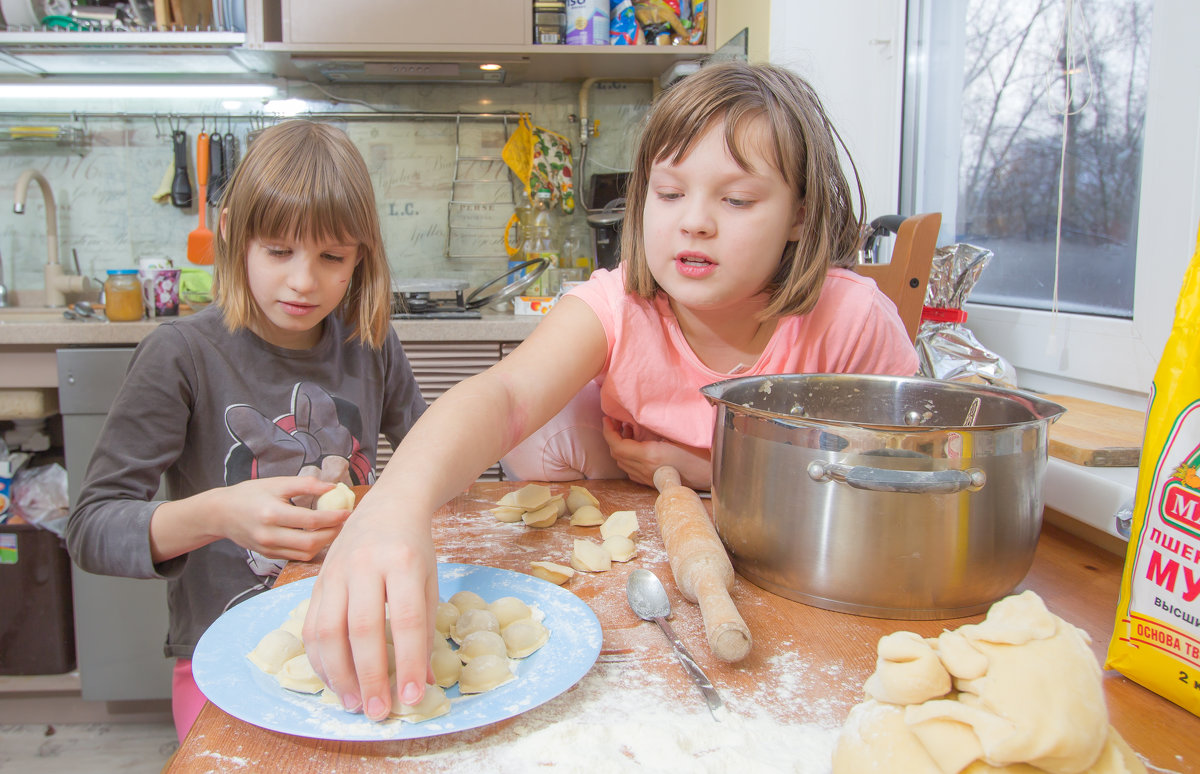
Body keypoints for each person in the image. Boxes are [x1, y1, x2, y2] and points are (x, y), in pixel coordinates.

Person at [304, 61, 919, 722]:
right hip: (625, 582)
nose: (695, 223)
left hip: (801, 584)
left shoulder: (850, 321)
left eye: (736, 200)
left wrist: (710, 472)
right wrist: (393, 505)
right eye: (670, 192)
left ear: (800, 214)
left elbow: (898, 485)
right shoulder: (619, 306)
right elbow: (506, 395)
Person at [64, 120, 427, 742]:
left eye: (331, 256)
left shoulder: (369, 343)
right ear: (233, 234)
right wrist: (216, 515)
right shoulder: (182, 355)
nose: (304, 281)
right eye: (279, 251)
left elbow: (428, 456)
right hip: (226, 657)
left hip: (357, 638)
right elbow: (92, 527)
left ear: (360, 254)